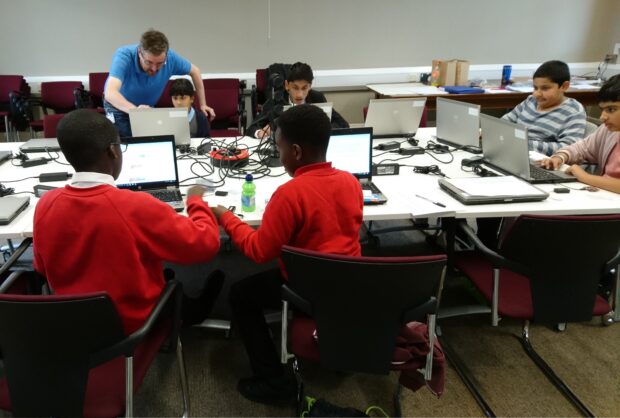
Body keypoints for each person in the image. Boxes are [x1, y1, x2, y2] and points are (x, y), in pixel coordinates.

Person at [210, 105, 363, 404]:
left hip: (307, 287)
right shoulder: (351, 181)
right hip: (350, 282)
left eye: (278, 149)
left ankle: (272, 380)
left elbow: (258, 250)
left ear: (295, 151)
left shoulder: (289, 194)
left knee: (241, 295)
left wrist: (225, 217)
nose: (278, 156)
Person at [32, 109, 222, 335]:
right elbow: (205, 243)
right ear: (113, 151)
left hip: (74, 323)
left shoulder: (45, 204)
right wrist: (195, 201)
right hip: (132, 324)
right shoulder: (134, 206)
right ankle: (192, 311)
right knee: (176, 284)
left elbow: (41, 268)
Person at [103, 29, 216, 138]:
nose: (154, 68)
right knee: (130, 140)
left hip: (146, 109)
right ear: (139, 53)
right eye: (149, 62)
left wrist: (203, 104)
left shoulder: (171, 58)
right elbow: (110, 93)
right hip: (118, 106)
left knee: (154, 141)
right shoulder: (124, 56)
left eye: (160, 63)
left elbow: (195, 71)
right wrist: (135, 112)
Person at [539, 74, 620, 194]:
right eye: (602, 109)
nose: (603, 117)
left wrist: (586, 177)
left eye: (611, 109)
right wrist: (560, 157)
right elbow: (581, 148)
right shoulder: (609, 131)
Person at [502, 60, 586, 156]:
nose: (537, 94)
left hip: (540, 161)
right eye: (535, 88)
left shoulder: (574, 111)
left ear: (564, 86)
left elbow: (568, 148)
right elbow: (506, 121)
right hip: (513, 150)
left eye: (545, 88)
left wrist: (524, 143)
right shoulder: (531, 101)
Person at [246, 62, 349, 139]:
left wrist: (323, 129)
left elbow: (343, 124)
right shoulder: (277, 100)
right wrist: (261, 133)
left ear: (310, 86)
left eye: (304, 88)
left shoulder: (316, 97)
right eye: (295, 88)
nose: (300, 94)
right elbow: (251, 128)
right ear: (287, 85)